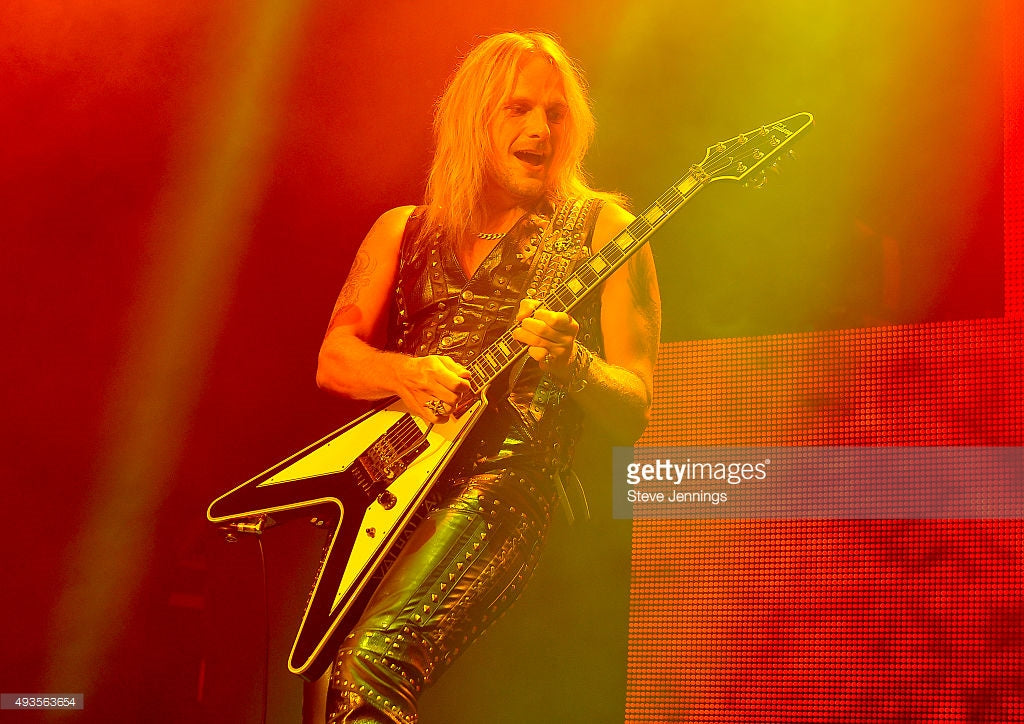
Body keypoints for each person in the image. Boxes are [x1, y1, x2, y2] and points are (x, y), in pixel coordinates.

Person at [306, 31, 661, 724]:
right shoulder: (402, 231)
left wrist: (574, 362)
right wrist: (403, 373)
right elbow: (334, 360)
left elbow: (636, 405)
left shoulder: (603, 229)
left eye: (556, 114)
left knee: (372, 657)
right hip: (390, 492)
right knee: (322, 684)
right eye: (519, 109)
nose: (541, 129)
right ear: (475, 121)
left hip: (504, 490)